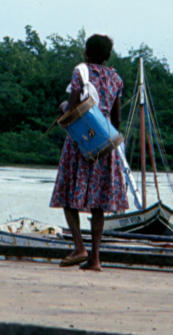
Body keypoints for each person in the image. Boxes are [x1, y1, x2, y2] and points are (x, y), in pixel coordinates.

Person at [50, 34, 127, 271]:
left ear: (86, 53)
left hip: (80, 145)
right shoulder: (116, 79)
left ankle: (78, 247)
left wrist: (63, 106)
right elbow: (115, 120)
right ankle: (95, 258)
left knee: (67, 195)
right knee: (99, 204)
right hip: (105, 145)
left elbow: (72, 108)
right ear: (106, 57)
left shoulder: (80, 72)